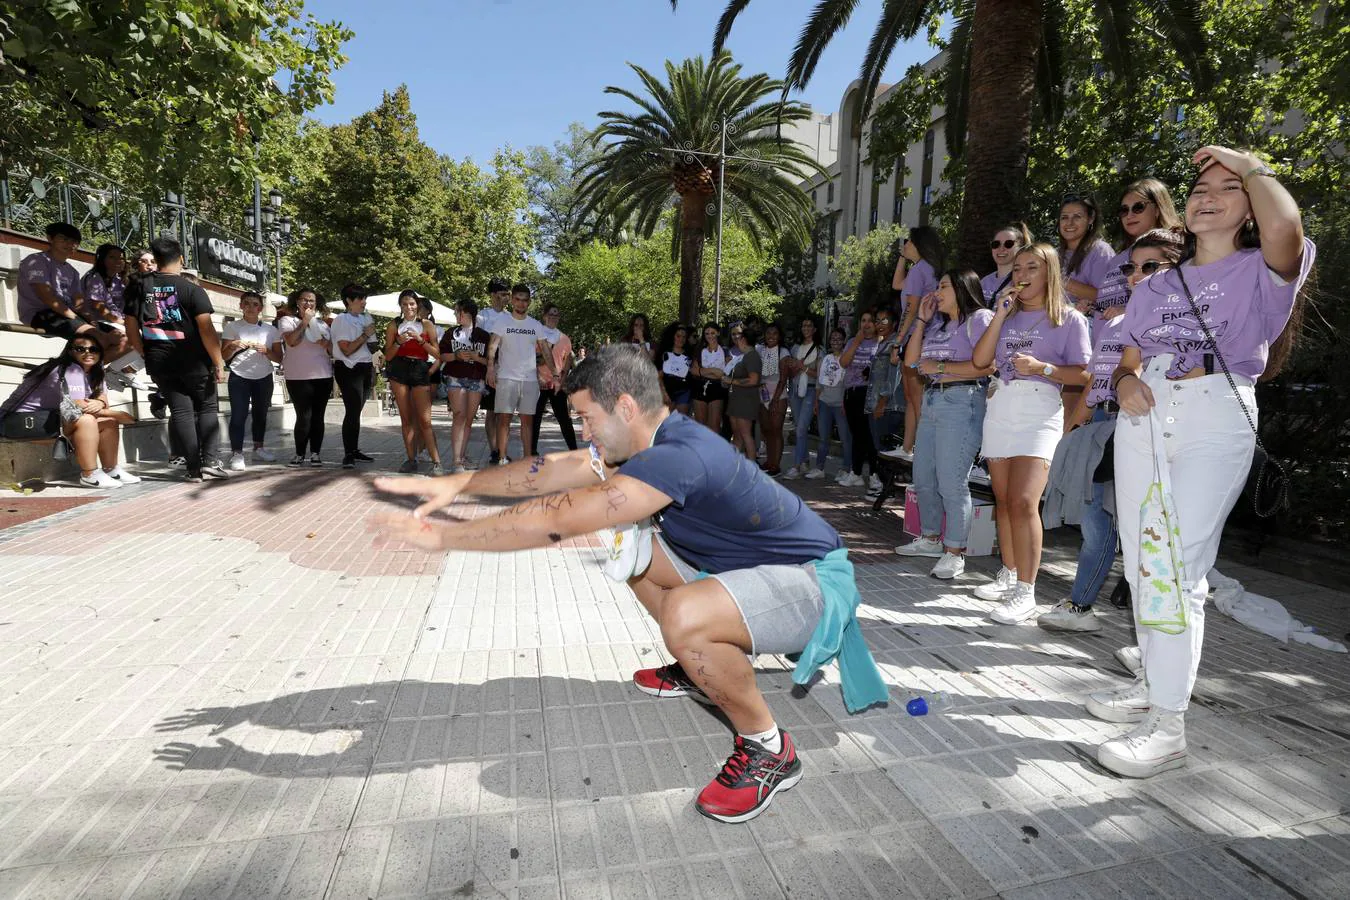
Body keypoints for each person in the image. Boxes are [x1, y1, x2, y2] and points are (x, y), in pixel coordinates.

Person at [370, 344, 886, 823]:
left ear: (624, 407)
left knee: (686, 613)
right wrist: (457, 483)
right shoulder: (644, 443)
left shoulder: (680, 454)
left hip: (812, 586)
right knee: (631, 553)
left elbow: (560, 518)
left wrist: (443, 538)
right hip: (752, 570)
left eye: (587, 417)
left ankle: (770, 750)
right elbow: (552, 472)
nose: (584, 430)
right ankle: (698, 665)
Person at [1091, 146, 1314, 778]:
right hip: (1143, 420)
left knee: (1176, 563)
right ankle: (1153, 682)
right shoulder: (1157, 280)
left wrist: (1247, 163)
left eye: (1228, 187)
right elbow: (1129, 352)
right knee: (1142, 559)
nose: (1207, 194)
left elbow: (1286, 228)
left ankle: (1167, 726)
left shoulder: (1261, 270)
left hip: (1214, 415)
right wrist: (1127, 382)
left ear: (1249, 205)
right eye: (1199, 186)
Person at [1038, 229, 1185, 633]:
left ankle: (1148, 632)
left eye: (1150, 267)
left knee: (1135, 528)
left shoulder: (1177, 322)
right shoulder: (1115, 320)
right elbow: (1097, 377)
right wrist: (1072, 427)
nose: (1137, 276)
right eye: (1132, 268)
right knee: (1096, 519)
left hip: (1140, 426)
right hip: (1101, 422)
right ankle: (1084, 607)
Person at [970, 243, 1091, 622]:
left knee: (1025, 501)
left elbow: (1085, 375)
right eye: (1018, 268)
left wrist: (1043, 368)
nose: (1021, 275)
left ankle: (1026, 591)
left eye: (1032, 268)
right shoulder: (1006, 315)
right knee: (1003, 500)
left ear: (1049, 273)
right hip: (1002, 405)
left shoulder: (1070, 319)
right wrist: (999, 316)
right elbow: (979, 361)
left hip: (1041, 410)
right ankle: (1008, 575)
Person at [897, 271, 996, 578]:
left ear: (962, 288)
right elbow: (911, 362)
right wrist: (922, 321)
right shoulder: (939, 324)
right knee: (923, 476)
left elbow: (988, 365)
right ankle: (930, 538)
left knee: (951, 481)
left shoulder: (980, 319)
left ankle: (954, 551)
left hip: (962, 402)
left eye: (942, 286)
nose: (936, 292)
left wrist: (941, 368)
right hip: (933, 400)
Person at [122, 236, 228, 482]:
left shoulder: (138, 285)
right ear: (181, 258)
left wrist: (143, 351)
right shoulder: (191, 288)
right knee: (207, 407)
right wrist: (219, 362)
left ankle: (192, 470)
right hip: (194, 360)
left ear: (156, 260)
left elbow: (130, 325)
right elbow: (206, 329)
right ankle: (210, 461)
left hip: (159, 360)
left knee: (181, 412)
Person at [0, 337, 140, 488]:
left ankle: (111, 470)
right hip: (20, 422)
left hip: (48, 421)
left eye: (94, 349)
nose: (88, 353)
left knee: (108, 423)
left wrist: (100, 404)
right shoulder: (70, 369)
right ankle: (89, 474)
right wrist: (118, 414)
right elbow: (79, 406)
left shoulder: (95, 372)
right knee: (87, 420)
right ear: (70, 352)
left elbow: (103, 402)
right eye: (80, 349)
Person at [1093, 179, 1184, 326]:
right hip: (1105, 343)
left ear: (1157, 208)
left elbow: (1183, 300)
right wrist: (1092, 307)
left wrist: (1128, 311)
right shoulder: (1117, 259)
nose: (1129, 215)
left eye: (1138, 207)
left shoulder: (1180, 249)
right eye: (1124, 210)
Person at [17, 223, 116, 354]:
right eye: (64, 239)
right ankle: (65, 370)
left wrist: (91, 320)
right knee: (96, 337)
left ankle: (70, 369)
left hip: (67, 315)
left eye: (74, 241)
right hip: (41, 314)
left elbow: (79, 304)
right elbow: (47, 298)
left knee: (121, 337)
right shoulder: (36, 261)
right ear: (50, 238)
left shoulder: (72, 271)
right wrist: (77, 319)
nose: (70, 244)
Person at [486, 283, 555, 464]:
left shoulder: (535, 325)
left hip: (529, 380)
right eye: (517, 299)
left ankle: (526, 460)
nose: (521, 304)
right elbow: (492, 345)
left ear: (529, 302)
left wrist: (555, 373)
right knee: (503, 420)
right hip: (507, 378)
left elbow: (546, 351)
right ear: (512, 300)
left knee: (527, 422)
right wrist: (490, 368)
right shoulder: (502, 321)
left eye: (525, 300)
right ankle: (502, 458)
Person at [892, 227, 944, 458]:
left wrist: (898, 341)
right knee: (913, 396)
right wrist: (902, 258)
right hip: (927, 337)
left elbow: (911, 309)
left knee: (916, 397)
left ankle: (924, 450)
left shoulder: (919, 271)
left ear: (920, 244)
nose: (905, 244)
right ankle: (908, 447)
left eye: (909, 242)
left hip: (916, 338)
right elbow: (896, 285)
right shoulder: (927, 269)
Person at [384, 289, 443, 474]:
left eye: (412, 304)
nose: (409, 307)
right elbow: (388, 355)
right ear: (400, 306)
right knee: (406, 419)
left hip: (419, 369)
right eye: (404, 304)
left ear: (417, 305)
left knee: (425, 420)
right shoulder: (394, 325)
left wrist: (420, 341)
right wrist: (399, 342)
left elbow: (437, 354)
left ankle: (437, 462)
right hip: (399, 370)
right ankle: (411, 459)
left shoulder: (426, 325)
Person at [221, 291, 282, 469]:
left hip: (263, 376)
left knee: (260, 414)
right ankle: (237, 453)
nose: (250, 307)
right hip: (239, 376)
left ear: (260, 308)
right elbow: (223, 355)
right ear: (241, 306)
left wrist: (267, 351)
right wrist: (232, 345)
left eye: (255, 304)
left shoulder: (271, 330)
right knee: (238, 415)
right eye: (246, 303)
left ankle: (259, 447)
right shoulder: (232, 327)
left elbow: (279, 358)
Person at [277, 288, 335, 468]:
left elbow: (333, 351)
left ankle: (315, 454)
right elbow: (292, 341)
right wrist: (304, 322)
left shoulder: (324, 324)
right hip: (297, 376)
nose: (308, 304)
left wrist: (326, 344)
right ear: (297, 302)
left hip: (323, 375)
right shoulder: (288, 320)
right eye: (304, 300)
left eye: (312, 301)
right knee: (304, 416)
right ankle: (299, 454)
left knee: (318, 416)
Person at [330, 283, 379, 469]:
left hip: (365, 367)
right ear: (349, 301)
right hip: (348, 369)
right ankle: (348, 454)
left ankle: (354, 449)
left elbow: (373, 346)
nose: (363, 302)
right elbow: (347, 349)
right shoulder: (341, 320)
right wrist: (365, 335)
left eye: (364, 298)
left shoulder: (366, 317)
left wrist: (373, 339)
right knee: (352, 411)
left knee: (357, 411)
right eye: (359, 299)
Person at [440, 299, 491, 473]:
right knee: (459, 416)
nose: (455, 315)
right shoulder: (450, 333)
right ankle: (456, 461)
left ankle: (461, 458)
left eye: (457, 312)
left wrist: (477, 358)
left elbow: (490, 361)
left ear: (465, 313)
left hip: (477, 379)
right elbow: (442, 356)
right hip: (455, 377)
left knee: (469, 419)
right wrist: (456, 356)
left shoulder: (483, 335)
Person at [838, 310, 878, 488]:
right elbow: (844, 363)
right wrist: (857, 341)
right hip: (851, 393)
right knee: (857, 435)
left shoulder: (881, 342)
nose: (867, 324)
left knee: (869, 435)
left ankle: (876, 474)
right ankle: (856, 473)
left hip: (868, 394)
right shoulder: (852, 342)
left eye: (870, 321)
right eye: (863, 320)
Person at [864, 311, 902, 498]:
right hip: (874, 403)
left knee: (884, 450)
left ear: (894, 323)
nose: (880, 324)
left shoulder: (894, 343)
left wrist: (882, 401)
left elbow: (894, 374)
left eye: (884, 320)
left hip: (887, 405)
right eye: (877, 320)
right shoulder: (881, 344)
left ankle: (886, 490)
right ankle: (885, 488)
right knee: (879, 448)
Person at [531, 303, 578, 452]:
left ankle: (574, 450)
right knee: (535, 419)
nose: (553, 317)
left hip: (557, 384)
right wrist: (538, 377)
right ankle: (532, 451)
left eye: (556, 314)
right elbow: (531, 358)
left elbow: (567, 363)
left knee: (564, 419)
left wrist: (561, 382)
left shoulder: (565, 339)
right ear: (544, 316)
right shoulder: (536, 335)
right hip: (539, 383)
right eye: (550, 314)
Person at [781, 317, 822, 479]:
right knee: (799, 427)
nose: (806, 327)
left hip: (811, 391)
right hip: (795, 391)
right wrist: (795, 368)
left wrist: (802, 367)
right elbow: (789, 371)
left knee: (801, 428)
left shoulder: (820, 349)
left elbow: (819, 374)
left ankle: (796, 466)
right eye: (804, 325)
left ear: (814, 329)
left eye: (809, 325)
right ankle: (805, 461)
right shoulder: (795, 348)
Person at [477, 278, 512, 464]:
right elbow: (480, 342)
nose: (506, 297)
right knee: (491, 411)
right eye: (503, 293)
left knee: (504, 412)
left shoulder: (511, 316)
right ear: (493, 295)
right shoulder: (483, 316)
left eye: (508, 293)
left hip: (508, 368)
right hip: (489, 367)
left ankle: (502, 450)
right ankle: (494, 450)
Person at [809, 327, 851, 481]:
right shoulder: (824, 360)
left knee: (845, 438)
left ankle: (846, 469)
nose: (836, 341)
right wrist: (816, 401)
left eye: (839, 338)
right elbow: (819, 384)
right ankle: (819, 467)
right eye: (833, 338)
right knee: (823, 437)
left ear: (844, 341)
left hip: (840, 404)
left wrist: (846, 404)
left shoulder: (848, 359)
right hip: (824, 402)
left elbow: (849, 383)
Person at [723, 323, 762, 460]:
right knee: (738, 435)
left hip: (746, 402)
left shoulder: (752, 356)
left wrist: (731, 381)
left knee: (745, 435)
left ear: (744, 340)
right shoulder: (744, 356)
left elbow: (753, 380)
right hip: (736, 400)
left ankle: (752, 469)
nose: (736, 340)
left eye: (739, 338)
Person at [756, 322, 790, 476]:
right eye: (768, 333)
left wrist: (775, 399)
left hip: (778, 395)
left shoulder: (783, 352)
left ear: (779, 336)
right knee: (766, 430)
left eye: (774, 333)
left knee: (776, 430)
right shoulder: (760, 350)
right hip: (762, 394)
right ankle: (769, 462)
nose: (771, 336)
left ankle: (776, 465)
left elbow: (783, 379)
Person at [690, 322, 728, 434]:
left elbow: (723, 374)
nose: (710, 336)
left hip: (717, 389)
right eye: (707, 333)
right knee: (700, 425)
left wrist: (703, 371)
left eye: (713, 333)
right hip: (699, 388)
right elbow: (694, 371)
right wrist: (713, 371)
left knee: (714, 425)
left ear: (718, 333)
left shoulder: (725, 351)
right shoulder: (699, 349)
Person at [982, 223, 1034, 304]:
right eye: (996, 244)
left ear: (1020, 248)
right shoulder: (984, 282)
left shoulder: (1022, 282)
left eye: (1008, 244)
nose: (1001, 249)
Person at [656, 322, 694, 415]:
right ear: (673, 336)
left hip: (684, 391)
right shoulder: (663, 353)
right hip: (667, 391)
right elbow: (658, 376)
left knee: (680, 422)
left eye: (684, 337)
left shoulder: (690, 353)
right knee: (667, 422)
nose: (681, 339)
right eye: (678, 336)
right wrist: (664, 393)